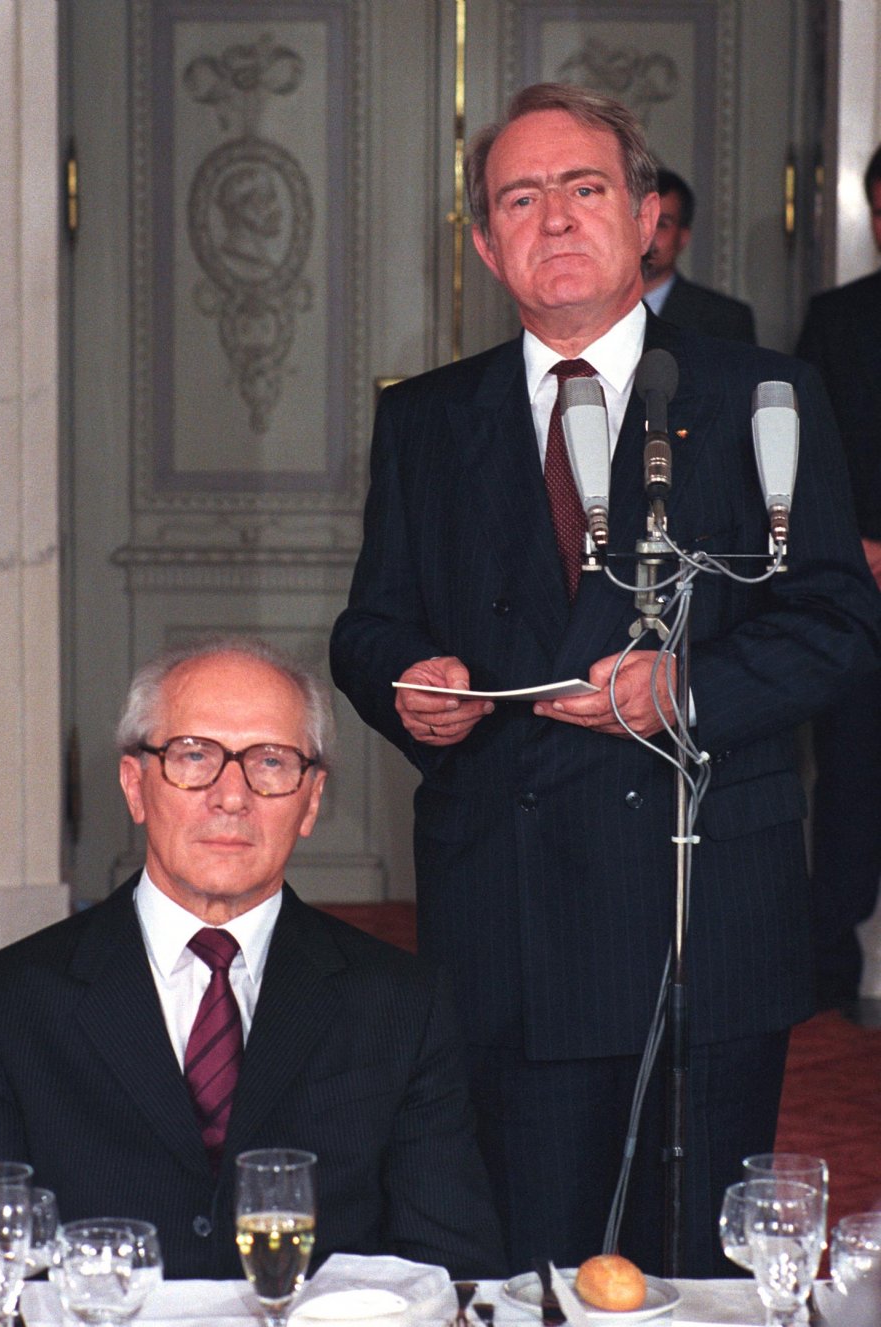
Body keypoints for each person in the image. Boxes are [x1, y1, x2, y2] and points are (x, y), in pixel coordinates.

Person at [329, 83, 881, 1277]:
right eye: (520, 199)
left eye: (585, 189)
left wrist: (683, 691)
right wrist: (402, 683)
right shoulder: (427, 420)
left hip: (701, 914)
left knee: (684, 1275)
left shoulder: (759, 394)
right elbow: (368, 627)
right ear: (484, 245)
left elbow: (837, 620)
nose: (556, 219)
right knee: (528, 1258)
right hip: (503, 917)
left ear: (646, 218)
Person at [0, 637, 505, 1281]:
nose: (231, 796)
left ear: (311, 799)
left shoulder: (402, 1004)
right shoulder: (3, 1004)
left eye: (270, 762)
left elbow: (451, 1275)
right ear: (135, 786)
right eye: (194, 757)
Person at [795, 143, 881, 1012]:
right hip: (865, 596)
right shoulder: (839, 318)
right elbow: (801, 454)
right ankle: (829, 982)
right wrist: (851, 543)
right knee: (850, 791)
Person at [642, 168, 756, 343]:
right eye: (641, 219)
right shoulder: (592, 307)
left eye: (662, 224)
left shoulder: (725, 319)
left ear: (683, 237)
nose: (649, 233)